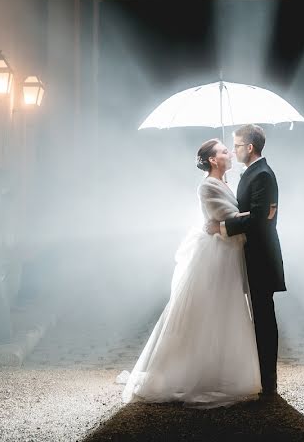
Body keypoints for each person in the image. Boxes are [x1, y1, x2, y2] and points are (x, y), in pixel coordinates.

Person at [118, 139, 261, 408]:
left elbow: (232, 219)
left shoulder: (229, 182)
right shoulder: (207, 185)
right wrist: (259, 215)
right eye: (223, 151)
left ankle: (221, 370)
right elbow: (226, 216)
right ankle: (195, 372)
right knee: (209, 311)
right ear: (212, 160)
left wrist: (249, 216)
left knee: (226, 310)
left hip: (227, 252)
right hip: (215, 255)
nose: (229, 152)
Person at [207, 123, 285, 396]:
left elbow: (259, 220)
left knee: (264, 319)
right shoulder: (251, 173)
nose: (234, 150)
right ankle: (261, 378)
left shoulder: (262, 175)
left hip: (261, 258)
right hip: (250, 255)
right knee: (258, 317)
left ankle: (269, 383)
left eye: (237, 145)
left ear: (249, 148)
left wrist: (222, 228)